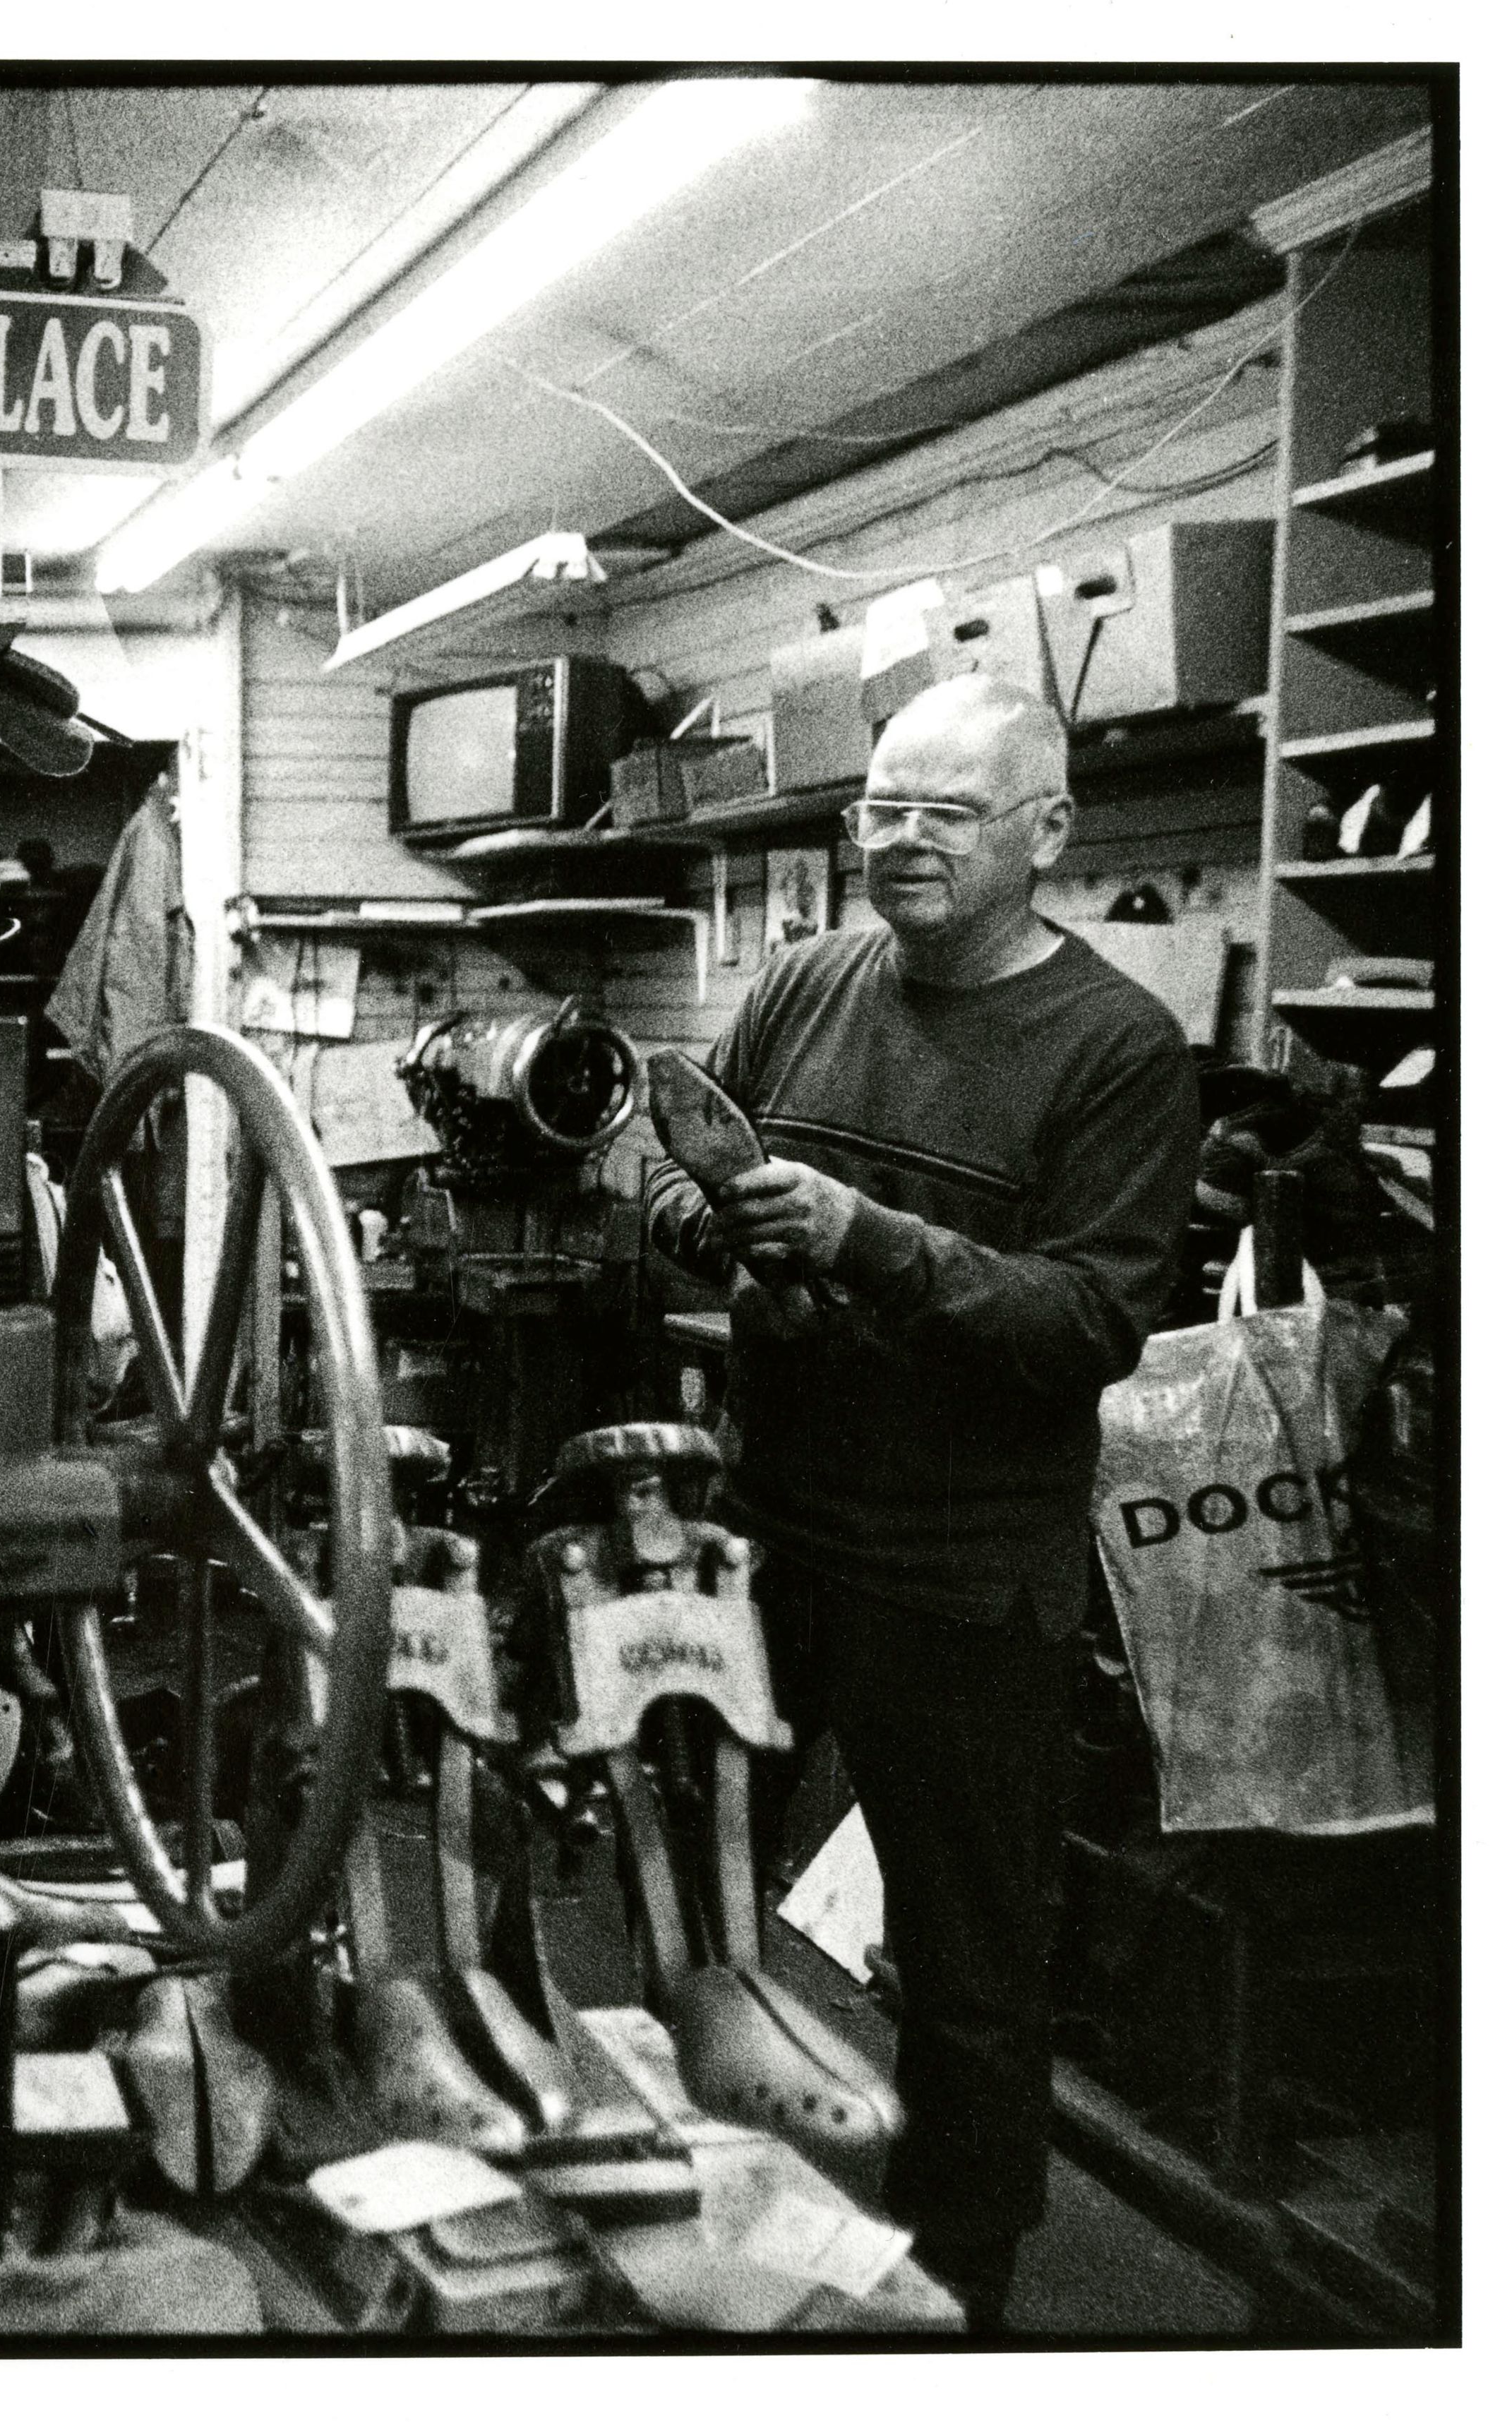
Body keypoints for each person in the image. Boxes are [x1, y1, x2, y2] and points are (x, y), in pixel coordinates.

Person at [644, 674, 1198, 2329]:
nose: (899, 839)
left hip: (959, 1583)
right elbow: (671, 1163)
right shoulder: (802, 982)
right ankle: (693, 2231)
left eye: (946, 813)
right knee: (690, 1906)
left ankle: (955, 2306)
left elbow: (1091, 1324)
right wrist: (703, 1225)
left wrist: (865, 1240)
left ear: (1048, 830)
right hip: (766, 1538)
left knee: (966, 1974)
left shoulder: (1117, 1047)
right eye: (880, 808)